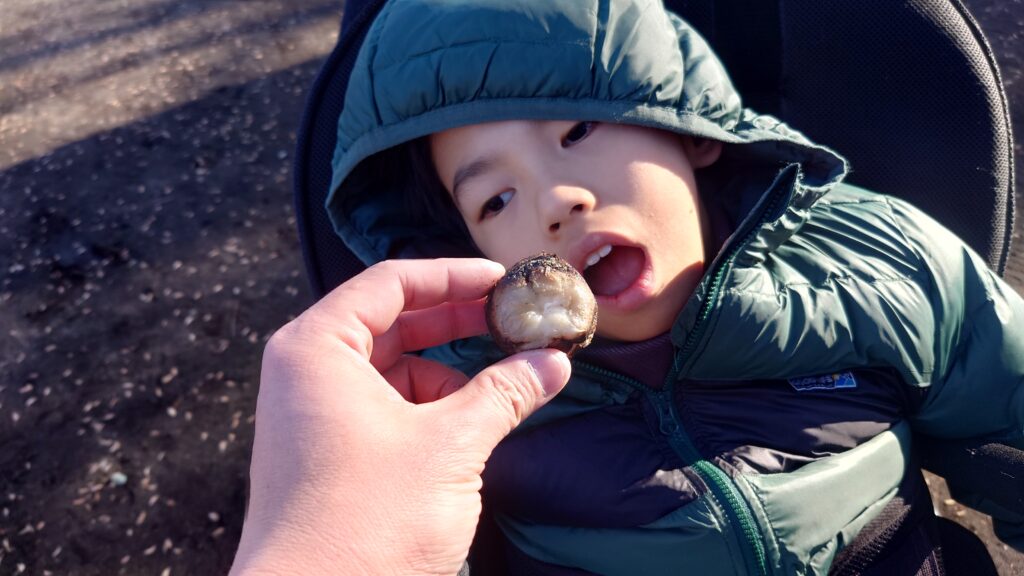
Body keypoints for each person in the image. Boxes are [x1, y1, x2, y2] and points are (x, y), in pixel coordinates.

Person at [241, 0, 1024, 574]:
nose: (554, 201)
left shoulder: (866, 261)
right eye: (495, 199)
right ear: (462, 244)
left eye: (578, 132)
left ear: (688, 132)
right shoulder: (444, 394)